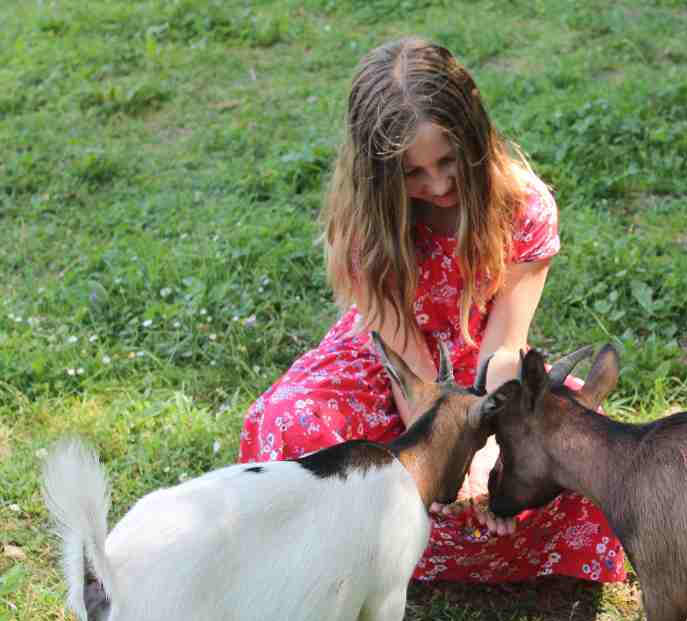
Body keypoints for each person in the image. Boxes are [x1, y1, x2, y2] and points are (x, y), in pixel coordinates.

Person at [239, 36, 625, 584]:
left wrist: (494, 447)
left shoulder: (523, 207)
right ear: (379, 173)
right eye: (413, 173)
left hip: (487, 377)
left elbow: (503, 350)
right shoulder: (366, 229)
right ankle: (391, 541)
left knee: (579, 451)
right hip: (396, 371)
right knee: (293, 426)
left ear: (474, 139)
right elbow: (411, 368)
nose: (439, 183)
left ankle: (395, 544)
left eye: (448, 162)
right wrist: (447, 453)